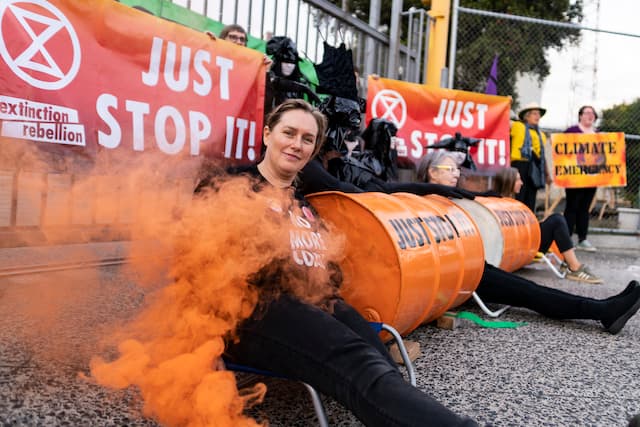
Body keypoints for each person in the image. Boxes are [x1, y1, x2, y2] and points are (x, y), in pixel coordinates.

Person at [195, 99, 478, 426]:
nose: (296, 144)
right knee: (360, 364)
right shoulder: (229, 185)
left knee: (380, 358)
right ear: (268, 134)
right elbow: (192, 268)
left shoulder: (302, 204)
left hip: (312, 303)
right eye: (289, 132)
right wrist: (207, 345)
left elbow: (323, 271)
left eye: (307, 139)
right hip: (250, 311)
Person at [413, 150, 639, 334]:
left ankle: (603, 308)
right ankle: (603, 311)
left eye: (456, 169)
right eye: (449, 169)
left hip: (468, 268)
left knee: (531, 290)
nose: (456, 173)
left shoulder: (445, 200)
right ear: (432, 173)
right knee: (530, 293)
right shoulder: (418, 202)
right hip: (457, 277)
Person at [492, 167, 602, 284]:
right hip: (521, 247)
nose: (522, 183)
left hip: (526, 242)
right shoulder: (495, 200)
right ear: (508, 182)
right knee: (557, 220)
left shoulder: (515, 199)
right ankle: (574, 267)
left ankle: (571, 264)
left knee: (557, 218)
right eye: (518, 180)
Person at [563, 105, 600, 252]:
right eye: (587, 113)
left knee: (585, 208)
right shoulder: (571, 131)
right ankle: (566, 239)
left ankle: (582, 239)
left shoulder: (599, 135)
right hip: (573, 177)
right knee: (572, 207)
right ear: (580, 116)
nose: (590, 115)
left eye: (592, 113)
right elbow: (560, 151)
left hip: (591, 178)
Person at [510, 102, 551, 213]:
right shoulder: (517, 126)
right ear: (526, 115)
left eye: (538, 114)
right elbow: (503, 121)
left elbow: (542, 156)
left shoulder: (541, 134)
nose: (537, 116)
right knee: (518, 195)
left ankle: (529, 221)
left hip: (534, 167)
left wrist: (546, 173)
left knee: (531, 198)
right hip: (519, 165)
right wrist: (507, 105)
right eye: (534, 113)